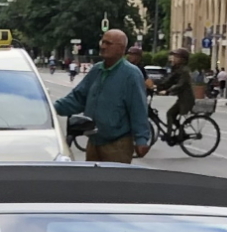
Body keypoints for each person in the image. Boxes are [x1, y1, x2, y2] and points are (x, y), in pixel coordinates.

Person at [53, 28, 153, 163]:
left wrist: (141, 139)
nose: (103, 46)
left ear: (121, 48)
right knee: (93, 182)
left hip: (117, 144)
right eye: (102, 42)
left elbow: (138, 108)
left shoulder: (131, 74)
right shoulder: (97, 70)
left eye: (108, 43)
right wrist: (51, 108)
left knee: (114, 183)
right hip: (94, 140)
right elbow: (78, 98)